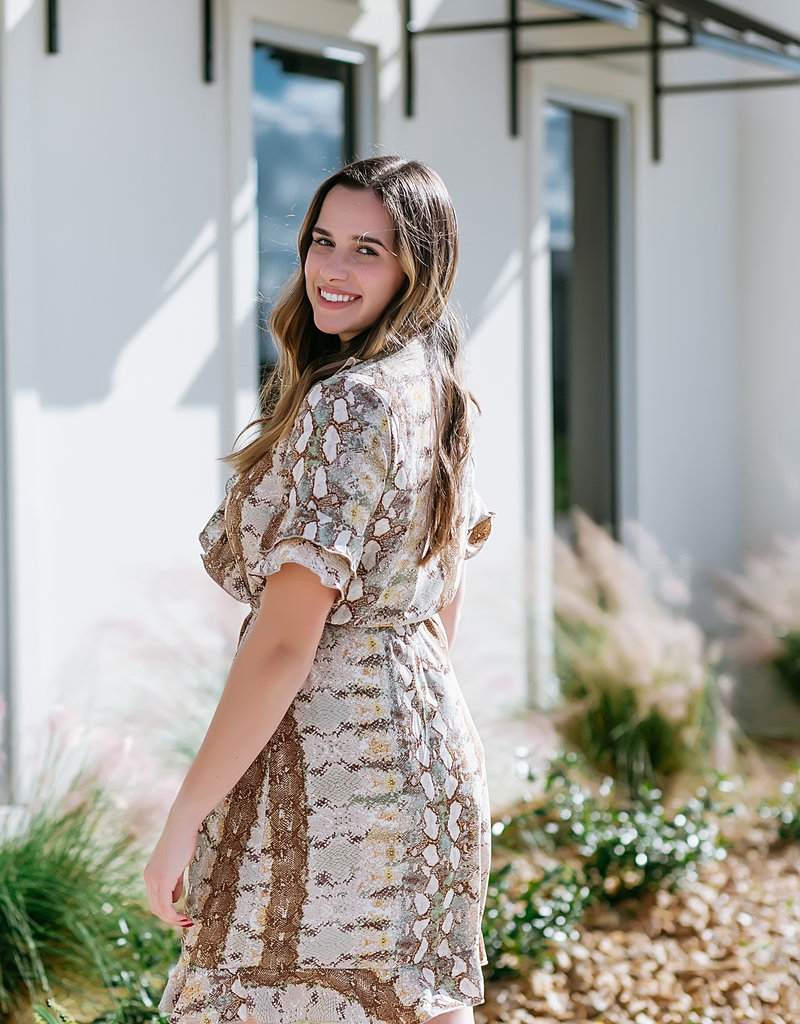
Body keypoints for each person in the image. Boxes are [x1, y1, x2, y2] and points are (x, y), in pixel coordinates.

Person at [144, 155, 493, 1024]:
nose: (333, 269)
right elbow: (443, 598)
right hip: (432, 756)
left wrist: (186, 812)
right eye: (322, 241)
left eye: (367, 250)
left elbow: (286, 641)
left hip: (334, 784)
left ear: (419, 266)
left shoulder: (354, 403)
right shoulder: (438, 389)